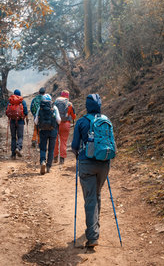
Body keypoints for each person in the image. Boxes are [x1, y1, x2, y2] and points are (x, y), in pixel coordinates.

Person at [71, 94, 110, 248]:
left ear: (87, 106)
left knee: (90, 198)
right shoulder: (106, 121)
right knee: (97, 194)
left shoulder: (81, 122)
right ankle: (95, 226)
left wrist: (77, 156)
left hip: (87, 164)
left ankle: (93, 236)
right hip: (104, 164)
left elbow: (74, 146)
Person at [34, 94, 61, 174]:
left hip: (42, 131)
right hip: (53, 130)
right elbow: (59, 120)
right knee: (51, 149)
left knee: (43, 148)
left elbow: (36, 121)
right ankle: (48, 166)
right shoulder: (54, 107)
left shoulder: (40, 108)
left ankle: (43, 161)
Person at [53, 90, 76, 164]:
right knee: (63, 141)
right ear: (67, 96)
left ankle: (55, 157)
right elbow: (74, 116)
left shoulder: (56, 102)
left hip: (56, 123)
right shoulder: (69, 104)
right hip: (66, 124)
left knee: (55, 141)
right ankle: (62, 159)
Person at [6, 89, 28, 159]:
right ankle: (18, 148)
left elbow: (7, 111)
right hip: (20, 121)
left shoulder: (10, 101)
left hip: (12, 121)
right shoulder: (22, 101)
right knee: (20, 136)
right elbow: (26, 111)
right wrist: (26, 118)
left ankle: (13, 155)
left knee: (13, 137)